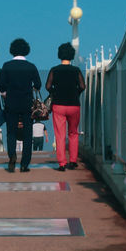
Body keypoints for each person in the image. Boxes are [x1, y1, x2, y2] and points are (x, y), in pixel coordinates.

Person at [0, 37, 41, 173]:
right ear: (26, 51)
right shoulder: (31, 67)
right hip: (27, 103)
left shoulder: (7, 66)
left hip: (11, 103)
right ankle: (24, 164)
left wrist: (5, 93)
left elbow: (1, 85)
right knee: (27, 133)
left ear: (12, 51)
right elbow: (38, 85)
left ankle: (12, 157)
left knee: (11, 132)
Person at [46, 42, 85, 171]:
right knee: (73, 133)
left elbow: (47, 86)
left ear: (59, 55)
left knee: (60, 134)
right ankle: (73, 161)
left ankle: (62, 163)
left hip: (59, 105)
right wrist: (76, 93)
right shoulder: (76, 71)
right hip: (74, 105)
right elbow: (82, 86)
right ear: (72, 55)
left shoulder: (54, 70)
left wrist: (54, 93)